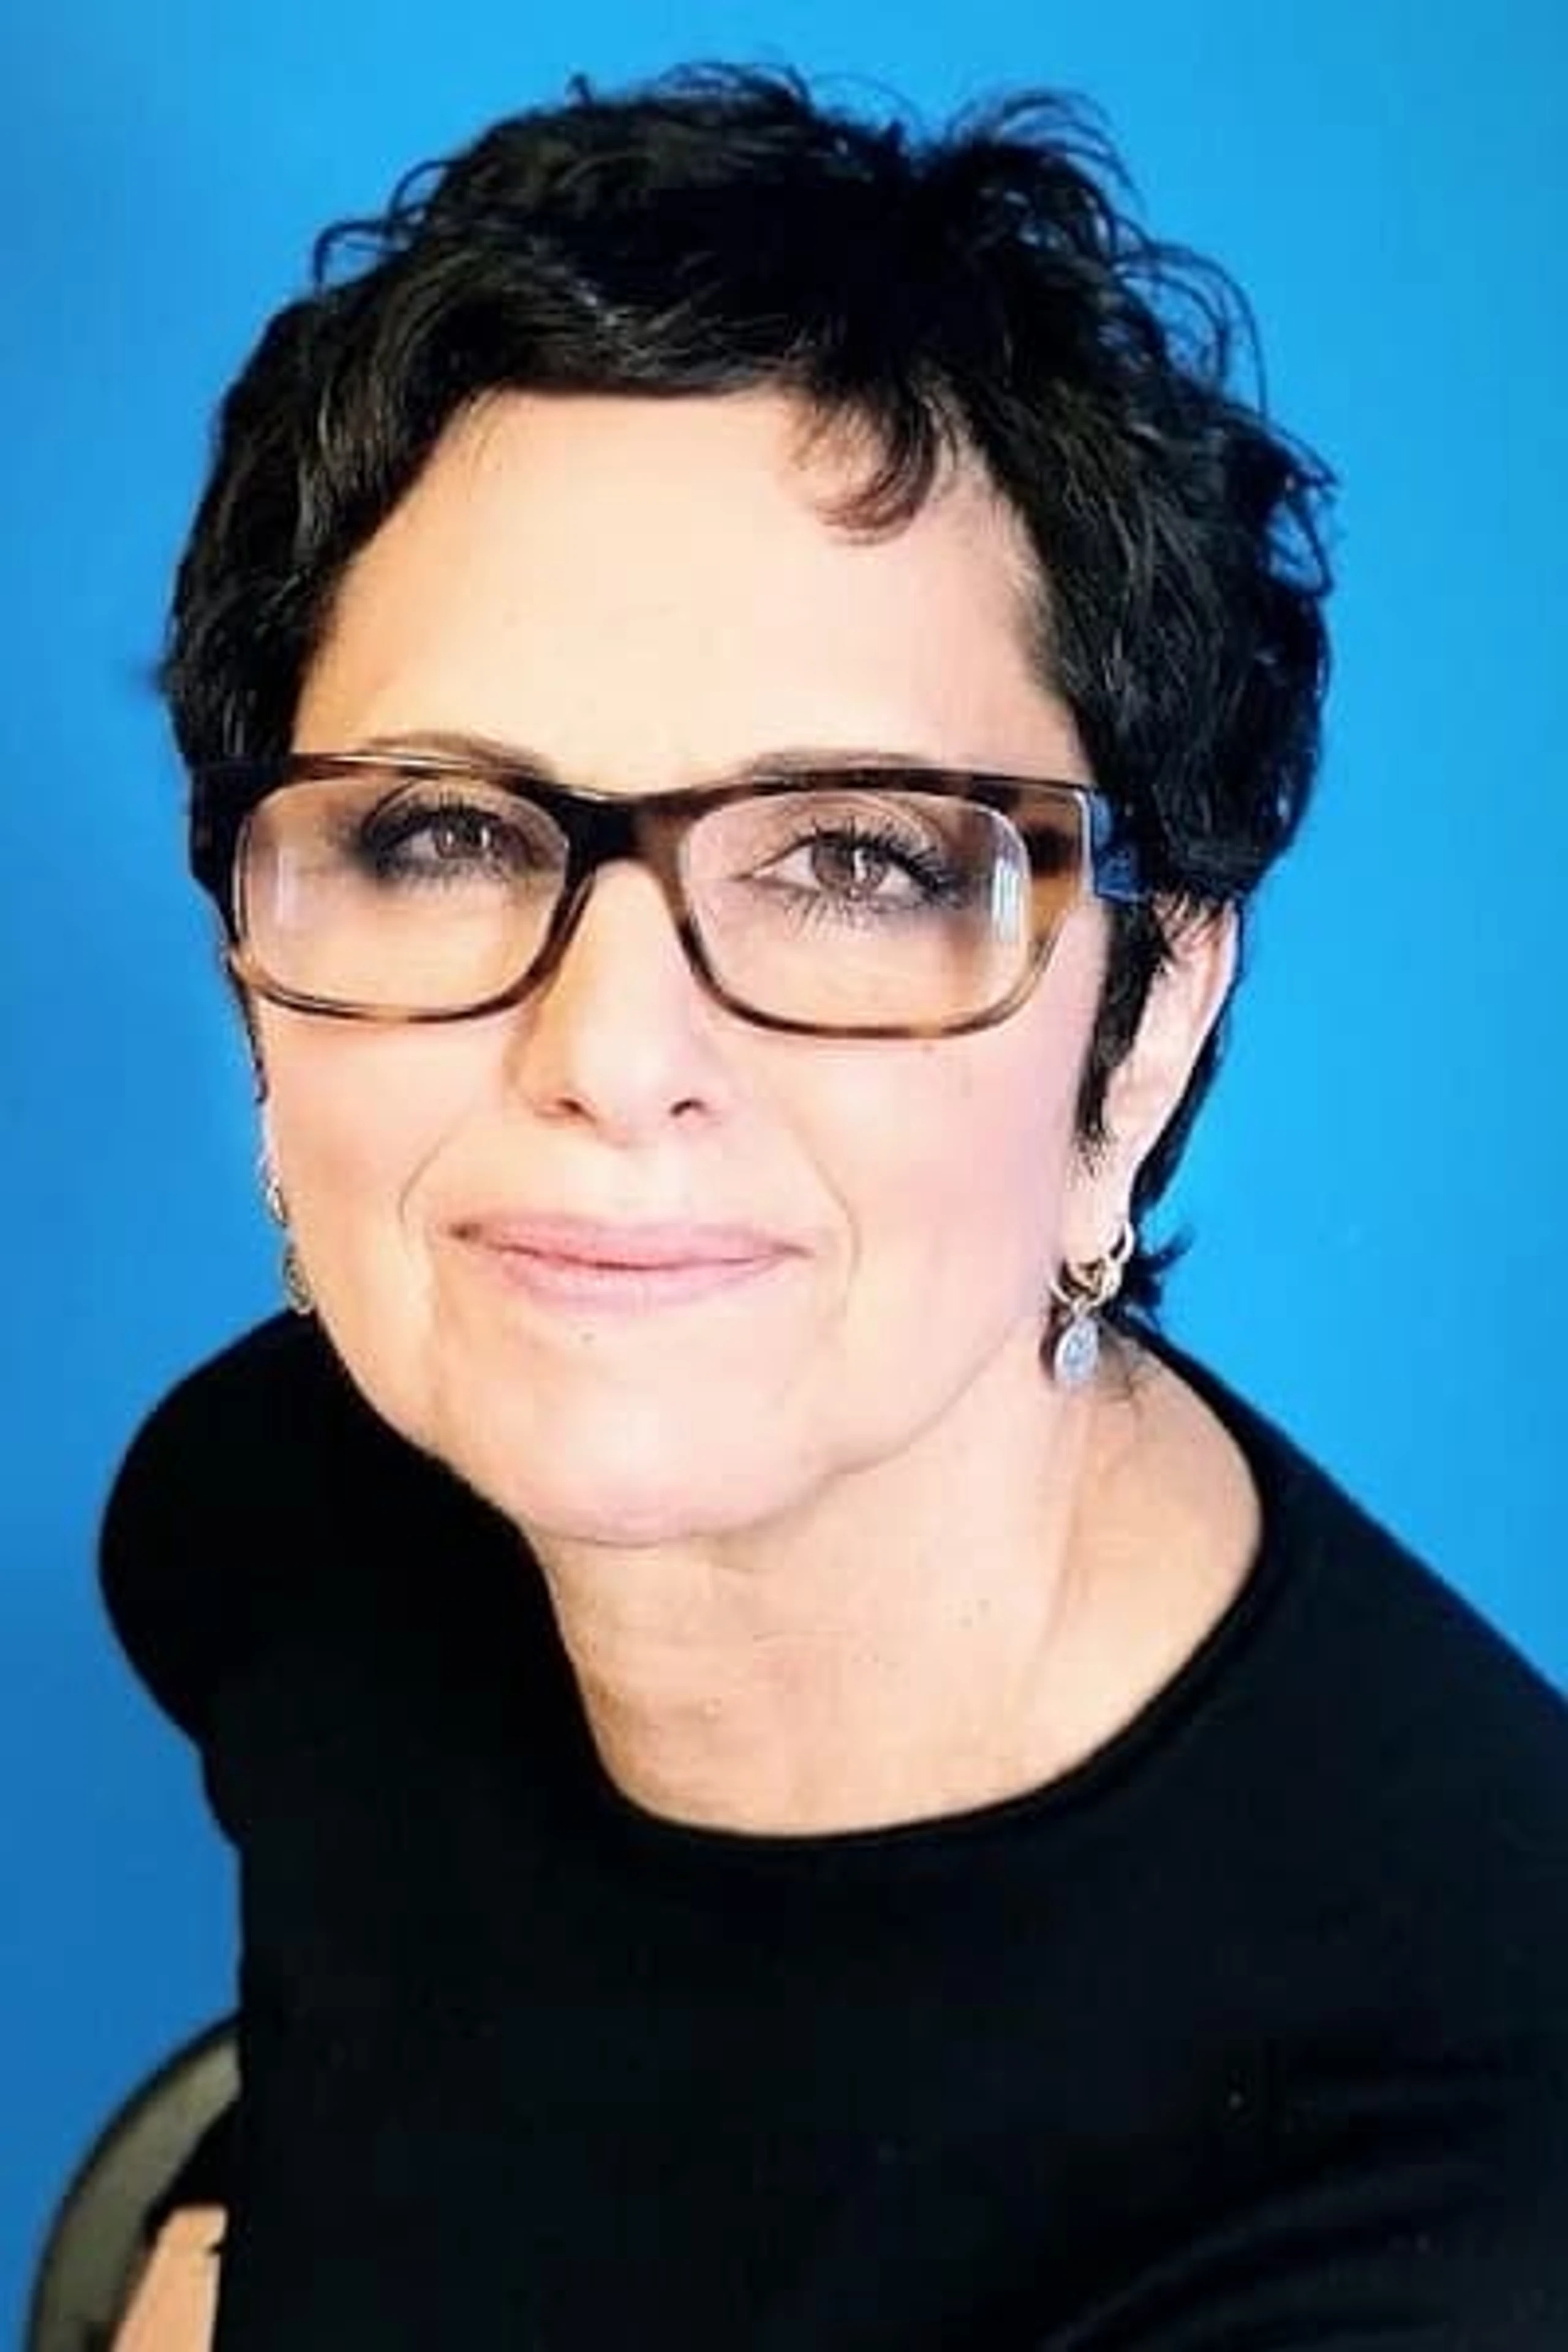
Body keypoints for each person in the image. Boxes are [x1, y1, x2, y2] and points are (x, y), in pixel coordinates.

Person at [99, 64, 1568, 2350]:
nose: (610, 1053)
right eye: (444, 833)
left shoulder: (1438, 2202)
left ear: (1144, 1029)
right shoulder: (274, 1525)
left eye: (861, 862)